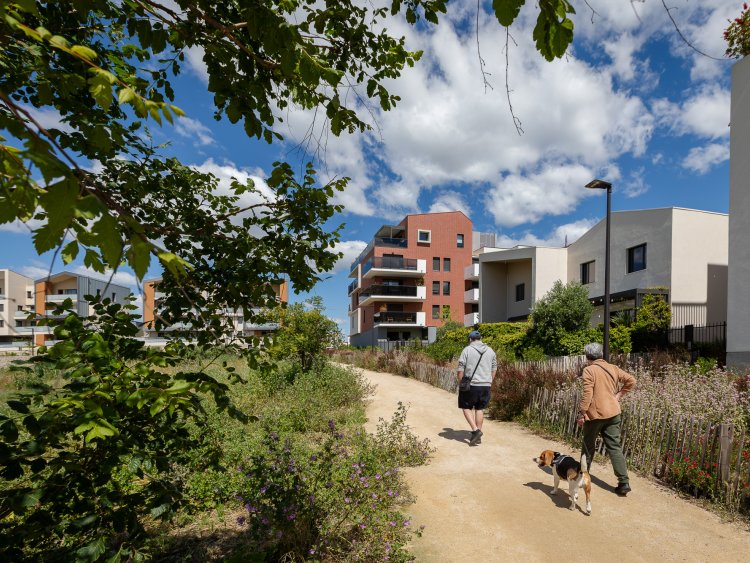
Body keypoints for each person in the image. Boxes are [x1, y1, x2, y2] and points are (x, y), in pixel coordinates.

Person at [577, 342, 636, 496]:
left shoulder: (589, 370)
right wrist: (619, 395)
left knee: (588, 447)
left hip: (595, 415)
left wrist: (582, 412)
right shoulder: (613, 368)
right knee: (614, 447)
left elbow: (587, 394)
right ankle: (624, 482)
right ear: (601, 354)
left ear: (587, 356)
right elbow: (632, 380)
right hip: (613, 413)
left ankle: (583, 476)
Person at [456, 330, 497, 446]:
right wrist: (490, 381)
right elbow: (494, 368)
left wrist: (461, 382)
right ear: (481, 338)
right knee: (479, 409)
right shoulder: (490, 351)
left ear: (470, 339)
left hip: (471, 384)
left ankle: (475, 430)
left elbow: (460, 369)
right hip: (486, 384)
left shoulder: (467, 350)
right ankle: (477, 436)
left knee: (465, 406)